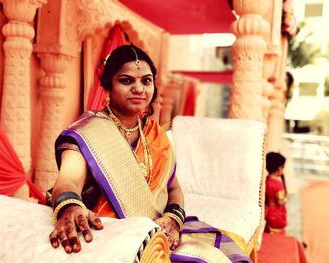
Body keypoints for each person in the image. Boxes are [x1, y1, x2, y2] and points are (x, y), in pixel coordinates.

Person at [48, 44, 251, 262]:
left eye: (146, 80)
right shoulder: (89, 131)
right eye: (126, 80)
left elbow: (174, 188)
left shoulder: (155, 134)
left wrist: (173, 219)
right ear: (108, 86)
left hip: (160, 227)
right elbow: (68, 180)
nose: (139, 88)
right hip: (115, 232)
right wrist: (70, 206)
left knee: (229, 254)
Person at [264, 152, 287, 235]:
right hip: (276, 214)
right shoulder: (278, 184)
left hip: (266, 211)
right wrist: (286, 199)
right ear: (279, 168)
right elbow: (280, 201)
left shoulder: (266, 180)